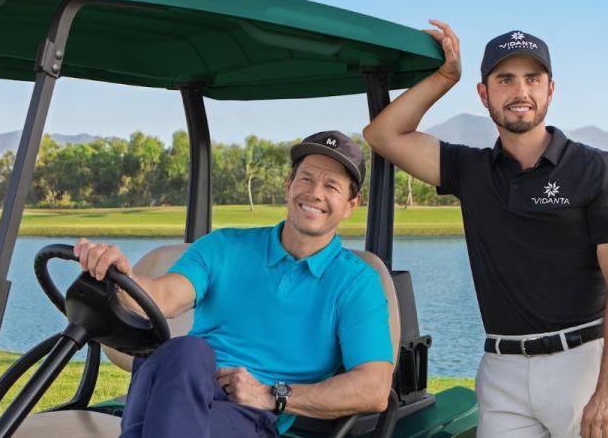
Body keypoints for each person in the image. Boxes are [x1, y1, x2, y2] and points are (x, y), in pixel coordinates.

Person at [362, 23, 608, 438]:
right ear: (484, 93)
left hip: (579, 365)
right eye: (505, 79)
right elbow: (382, 134)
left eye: (533, 79)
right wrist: (444, 77)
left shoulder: (593, 169)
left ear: (550, 90)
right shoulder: (469, 170)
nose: (520, 91)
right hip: (501, 372)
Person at [74, 130, 394, 438]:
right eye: (306, 178)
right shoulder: (225, 246)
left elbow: (374, 388)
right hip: (179, 380)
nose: (314, 193)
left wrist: (271, 395)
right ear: (289, 186)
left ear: (352, 204)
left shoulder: (357, 283)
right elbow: (162, 296)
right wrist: (118, 276)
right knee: (187, 350)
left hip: (245, 413)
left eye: (332, 186)